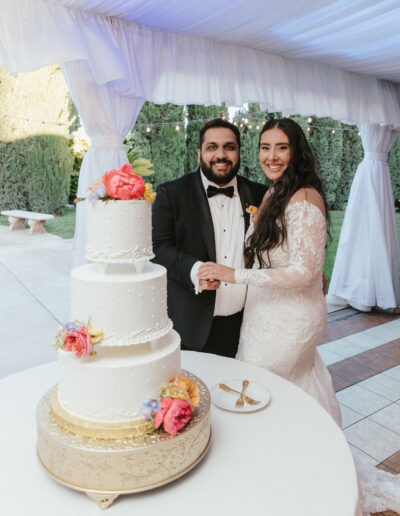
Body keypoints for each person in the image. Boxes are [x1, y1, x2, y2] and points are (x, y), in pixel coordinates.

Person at [198, 118, 400, 515]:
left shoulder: (304, 198)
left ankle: (292, 478)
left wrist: (233, 275)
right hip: (263, 313)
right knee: (295, 392)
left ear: (297, 151)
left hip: (289, 321)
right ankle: (309, 467)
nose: (271, 156)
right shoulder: (275, 192)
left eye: (281, 148)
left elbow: (305, 273)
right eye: (265, 147)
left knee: (266, 394)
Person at [152, 119, 267, 357]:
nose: (221, 154)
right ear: (199, 154)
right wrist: (196, 271)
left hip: (245, 324)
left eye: (229, 147)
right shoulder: (171, 194)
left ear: (238, 152)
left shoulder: (261, 194)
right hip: (189, 326)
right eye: (212, 147)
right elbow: (159, 248)